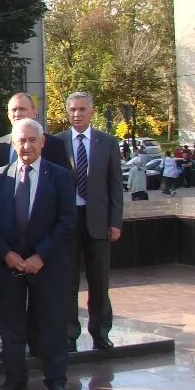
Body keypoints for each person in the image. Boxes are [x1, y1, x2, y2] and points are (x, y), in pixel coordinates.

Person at [0, 118, 75, 390]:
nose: (26, 146)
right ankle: (15, 378)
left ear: (42, 142)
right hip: (9, 265)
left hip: (47, 265)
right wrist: (6, 254)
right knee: (10, 324)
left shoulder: (60, 176)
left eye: (32, 140)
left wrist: (41, 255)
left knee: (51, 323)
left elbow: (67, 221)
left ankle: (56, 380)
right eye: (21, 140)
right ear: (13, 143)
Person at [55, 91, 123, 351]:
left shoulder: (107, 142)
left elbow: (116, 185)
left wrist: (115, 221)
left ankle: (101, 332)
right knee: (68, 281)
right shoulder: (57, 142)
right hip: (68, 221)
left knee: (99, 281)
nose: (77, 114)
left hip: (98, 221)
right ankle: (69, 334)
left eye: (82, 109)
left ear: (92, 111)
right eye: (72, 109)